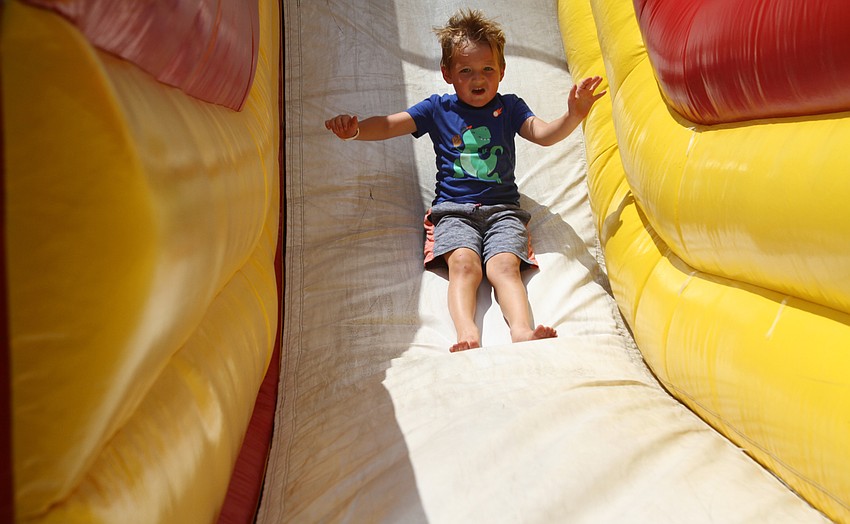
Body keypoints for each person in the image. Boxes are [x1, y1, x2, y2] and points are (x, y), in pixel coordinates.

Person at [325, 9, 606, 352]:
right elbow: (389, 125)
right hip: (454, 212)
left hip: (503, 212)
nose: (478, 79)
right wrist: (356, 131)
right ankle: (466, 333)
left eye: (488, 69)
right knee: (463, 265)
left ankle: (521, 330)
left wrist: (573, 115)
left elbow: (544, 134)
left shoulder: (511, 107)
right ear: (447, 73)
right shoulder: (437, 110)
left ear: (502, 71)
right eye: (466, 70)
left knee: (504, 267)